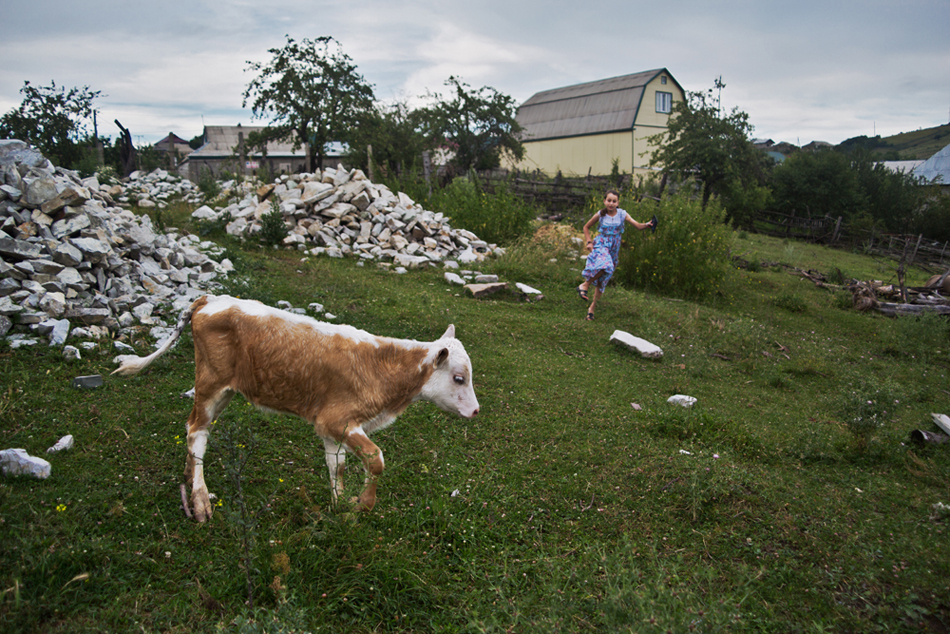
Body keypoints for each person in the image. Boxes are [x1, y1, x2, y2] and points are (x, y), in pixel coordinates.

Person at [576, 190, 654, 320]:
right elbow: (586, 227)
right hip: (602, 243)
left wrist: (647, 225)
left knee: (603, 279)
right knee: (607, 266)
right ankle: (585, 284)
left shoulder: (622, 214)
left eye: (614, 201)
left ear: (618, 203)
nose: (611, 203)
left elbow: (637, 226)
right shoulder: (600, 215)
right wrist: (589, 242)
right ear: (604, 201)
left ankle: (591, 310)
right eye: (609, 200)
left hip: (614, 247)